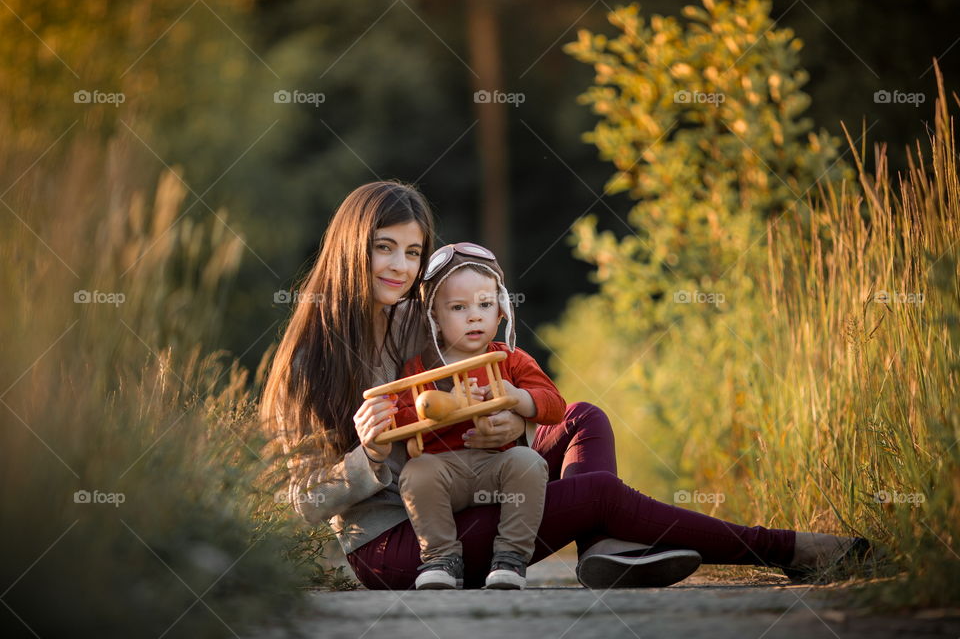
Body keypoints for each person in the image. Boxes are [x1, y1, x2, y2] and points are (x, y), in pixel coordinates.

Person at [260, 180, 869, 591]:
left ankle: (601, 549)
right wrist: (364, 457)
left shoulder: (416, 324)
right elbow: (299, 506)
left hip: (467, 492)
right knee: (598, 490)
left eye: (413, 253)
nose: (399, 266)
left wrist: (515, 422)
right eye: (382, 248)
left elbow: (470, 403)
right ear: (349, 247)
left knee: (582, 417)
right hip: (401, 548)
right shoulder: (309, 357)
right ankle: (790, 550)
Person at [394, 242, 566, 590]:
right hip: (445, 469)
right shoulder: (420, 369)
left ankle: (511, 557)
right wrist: (444, 405)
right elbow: (398, 420)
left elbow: (555, 405)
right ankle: (441, 558)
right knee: (417, 472)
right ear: (434, 319)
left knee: (527, 462)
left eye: (485, 305)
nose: (475, 315)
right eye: (458, 307)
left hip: (496, 467)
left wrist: (518, 398)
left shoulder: (511, 359)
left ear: (501, 310)